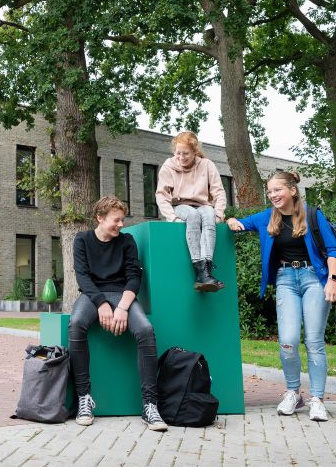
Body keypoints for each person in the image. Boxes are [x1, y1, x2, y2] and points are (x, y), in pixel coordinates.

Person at [226, 170, 336, 423]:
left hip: (314, 279)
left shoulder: (313, 215)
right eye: (269, 192)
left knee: (314, 341)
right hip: (285, 280)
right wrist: (231, 221)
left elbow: (334, 250)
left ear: (292, 190)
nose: (272, 195)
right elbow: (240, 223)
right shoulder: (267, 217)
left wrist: (332, 280)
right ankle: (293, 393)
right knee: (288, 341)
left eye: (277, 190)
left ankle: (317, 399)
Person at [69, 195, 167, 432]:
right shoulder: (82, 240)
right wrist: (102, 304)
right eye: (116, 220)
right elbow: (83, 277)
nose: (121, 225)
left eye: (122, 220)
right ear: (100, 218)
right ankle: (84, 398)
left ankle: (150, 405)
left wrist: (122, 307)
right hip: (93, 295)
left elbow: (134, 277)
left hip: (123, 295)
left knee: (145, 330)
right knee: (76, 323)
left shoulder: (127, 241)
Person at [155, 131, 229, 292]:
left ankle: (206, 271)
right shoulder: (168, 166)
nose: (181, 157)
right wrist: (172, 218)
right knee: (192, 215)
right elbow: (161, 195)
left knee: (209, 213)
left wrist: (219, 214)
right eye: (178, 153)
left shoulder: (207, 164)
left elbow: (219, 192)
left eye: (186, 153)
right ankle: (200, 271)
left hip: (202, 205)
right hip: (180, 206)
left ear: (195, 152)